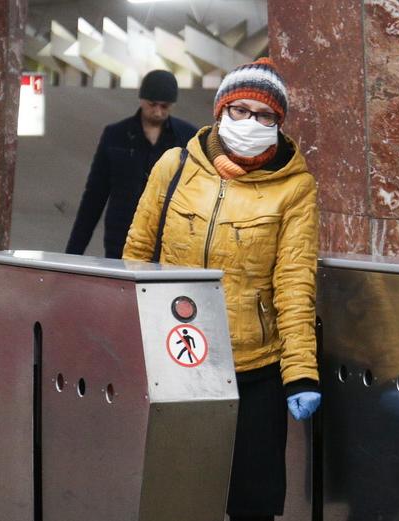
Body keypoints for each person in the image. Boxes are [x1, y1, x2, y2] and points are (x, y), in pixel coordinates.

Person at [122, 58, 319, 521]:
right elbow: (136, 255)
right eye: (240, 110)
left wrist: (302, 372)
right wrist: (130, 344)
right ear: (219, 111)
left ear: (279, 122)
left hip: (254, 367)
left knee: (253, 501)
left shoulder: (294, 188)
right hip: (177, 358)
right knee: (177, 493)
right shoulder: (174, 166)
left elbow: (294, 281)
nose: (251, 122)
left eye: (265, 115)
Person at [65, 70, 199, 258]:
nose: (158, 111)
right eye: (152, 105)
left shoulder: (188, 137)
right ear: (142, 100)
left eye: (165, 106)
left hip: (168, 238)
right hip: (121, 238)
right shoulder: (115, 135)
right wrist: (73, 253)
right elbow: (94, 195)